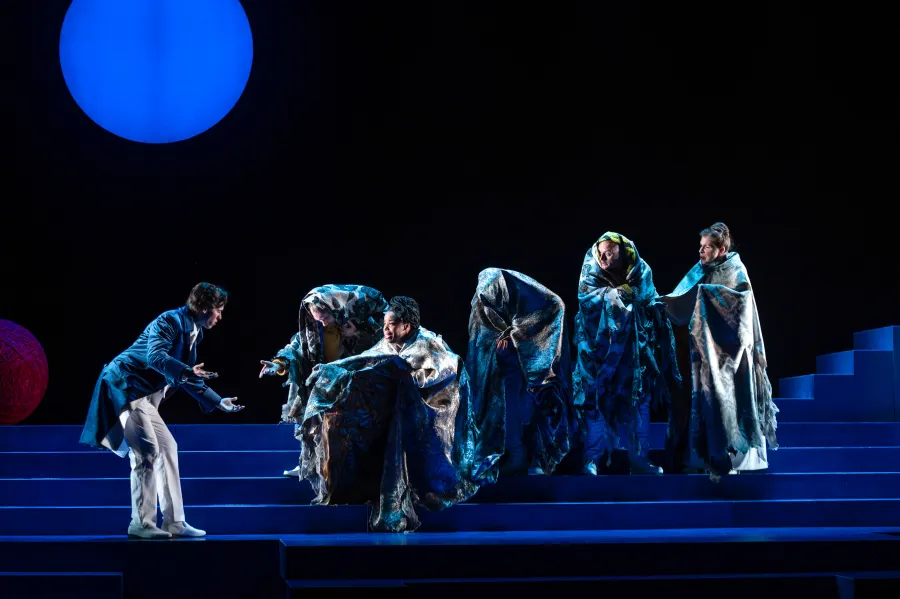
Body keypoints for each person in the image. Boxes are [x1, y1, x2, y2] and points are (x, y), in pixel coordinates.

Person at [298, 296, 481, 532]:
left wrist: (404, 379)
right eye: (385, 323)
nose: (385, 329)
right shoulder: (387, 343)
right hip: (398, 404)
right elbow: (366, 360)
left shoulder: (428, 343)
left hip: (432, 406)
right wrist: (334, 368)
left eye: (392, 324)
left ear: (407, 326)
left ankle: (418, 489)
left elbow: (441, 374)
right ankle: (355, 485)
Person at [79, 282, 244, 539]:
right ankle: (141, 523)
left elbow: (187, 376)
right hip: (125, 385)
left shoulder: (195, 332)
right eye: (218, 309)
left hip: (143, 395)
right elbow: (155, 357)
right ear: (202, 306)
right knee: (146, 450)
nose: (220, 316)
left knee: (168, 448)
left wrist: (217, 400)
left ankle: (175, 522)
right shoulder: (168, 321)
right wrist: (186, 371)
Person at [661, 222, 778, 480]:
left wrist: (708, 295)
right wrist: (665, 302)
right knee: (706, 399)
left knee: (732, 399)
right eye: (700, 247)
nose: (700, 252)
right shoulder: (700, 269)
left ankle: (735, 456)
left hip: (731, 352)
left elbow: (742, 305)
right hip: (705, 351)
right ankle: (708, 456)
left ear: (721, 249)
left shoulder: (736, 270)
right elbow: (681, 296)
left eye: (706, 248)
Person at [573, 232, 681, 475]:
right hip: (597, 353)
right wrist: (617, 295)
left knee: (638, 399)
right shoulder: (590, 271)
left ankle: (640, 458)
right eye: (600, 252)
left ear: (622, 252)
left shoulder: (642, 271)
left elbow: (648, 299)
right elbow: (586, 300)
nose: (603, 256)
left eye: (609, 252)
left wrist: (650, 305)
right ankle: (591, 459)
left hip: (634, 352)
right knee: (596, 400)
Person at [258, 285, 388, 476]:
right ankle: (310, 465)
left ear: (335, 309)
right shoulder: (313, 330)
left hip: (351, 382)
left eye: (326, 317)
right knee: (313, 422)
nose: (324, 323)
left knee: (350, 428)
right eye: (319, 319)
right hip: (324, 383)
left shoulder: (359, 323)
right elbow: (294, 348)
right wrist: (278, 364)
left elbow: (381, 345)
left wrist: (357, 333)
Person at [465, 268, 575, 478]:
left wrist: (514, 336)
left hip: (537, 368)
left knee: (539, 405)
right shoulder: (482, 302)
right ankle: (516, 454)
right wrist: (500, 350)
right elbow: (480, 340)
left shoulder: (537, 301)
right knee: (509, 407)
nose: (490, 300)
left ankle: (539, 458)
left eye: (495, 293)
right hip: (507, 370)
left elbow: (554, 309)